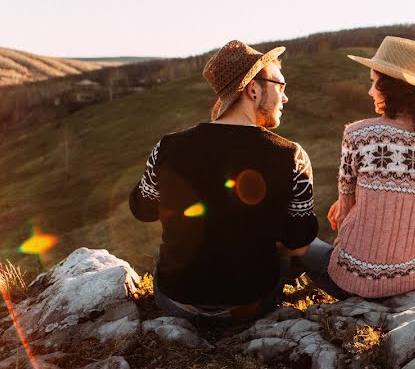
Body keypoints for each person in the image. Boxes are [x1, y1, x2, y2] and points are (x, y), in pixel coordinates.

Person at [128, 40, 318, 326]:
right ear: (253, 89)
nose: (285, 98)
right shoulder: (291, 155)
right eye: (281, 86)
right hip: (250, 304)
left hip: (177, 302)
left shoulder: (167, 147)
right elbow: (300, 237)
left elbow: (143, 210)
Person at [302, 36, 415, 299]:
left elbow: (343, 216)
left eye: (374, 83)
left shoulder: (359, 135)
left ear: (390, 87)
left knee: (300, 247)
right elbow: (410, 192)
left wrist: (351, 214)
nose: (370, 91)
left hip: (354, 280)